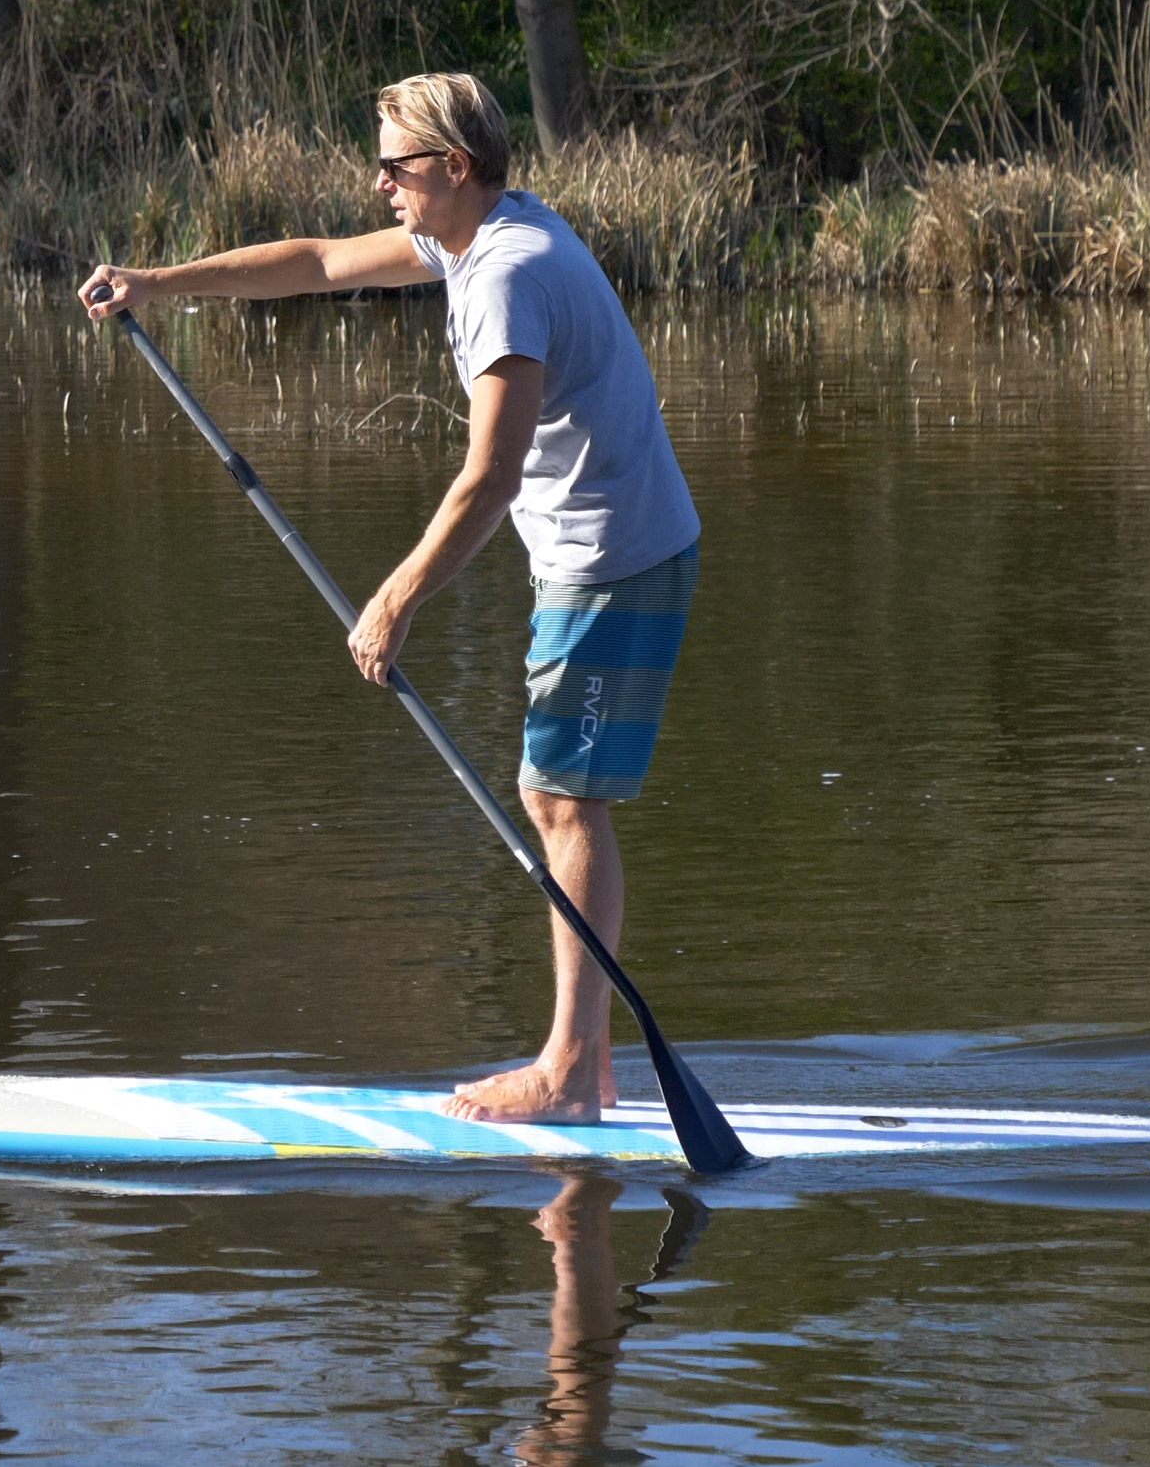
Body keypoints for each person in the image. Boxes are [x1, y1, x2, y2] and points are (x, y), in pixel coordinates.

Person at [78, 72, 701, 1126]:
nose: (379, 185)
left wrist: (396, 599)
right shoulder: (465, 235)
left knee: (563, 799)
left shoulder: (510, 274)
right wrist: (158, 283)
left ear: (454, 168)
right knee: (557, 797)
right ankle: (583, 1065)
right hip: (595, 552)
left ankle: (567, 1076)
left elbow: (490, 476)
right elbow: (315, 264)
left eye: (395, 166)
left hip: (615, 556)